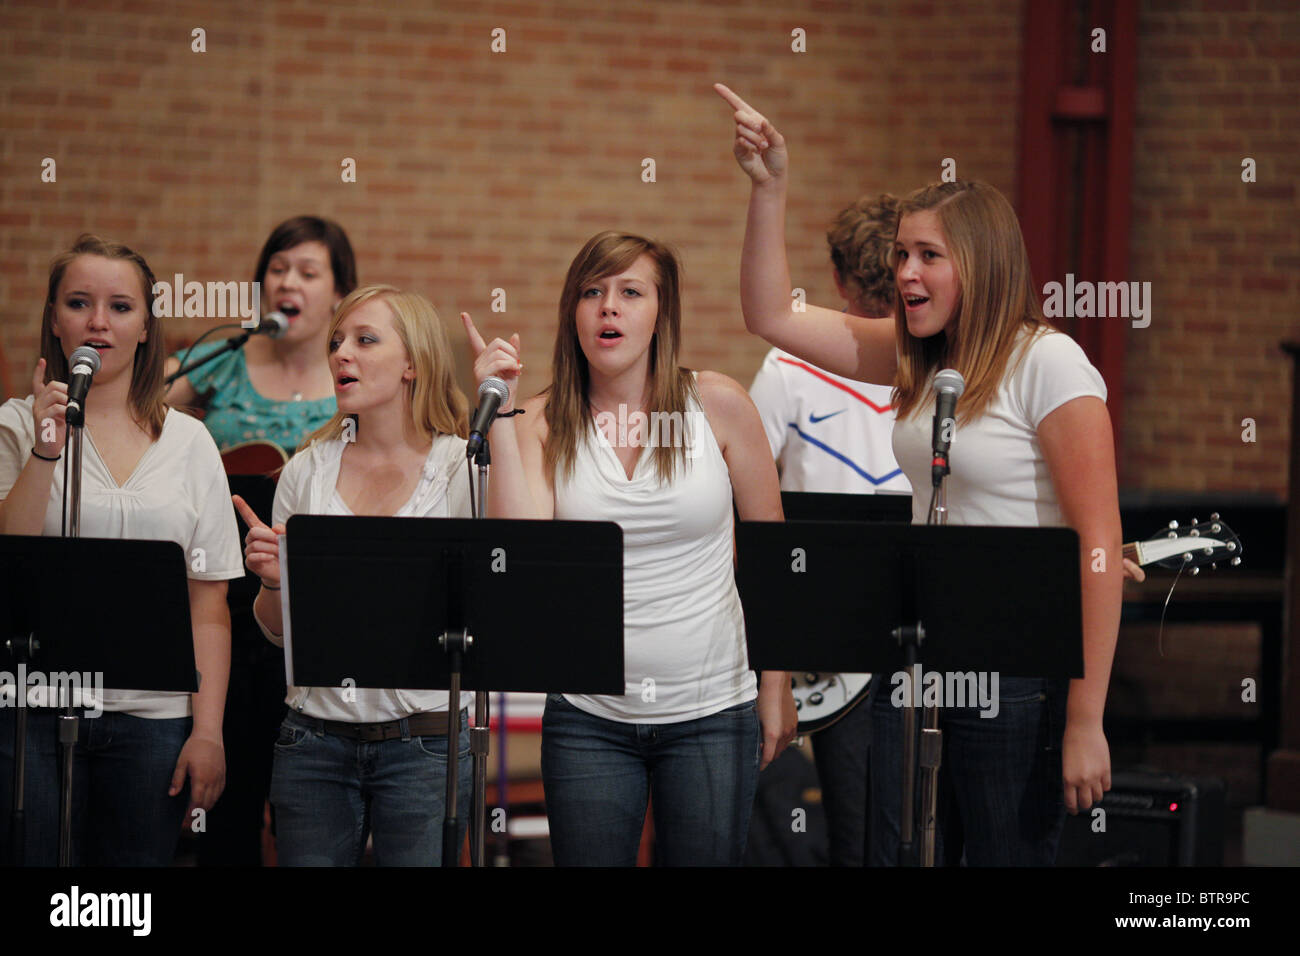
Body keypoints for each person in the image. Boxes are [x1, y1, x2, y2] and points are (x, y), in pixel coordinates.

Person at [717, 83, 1122, 866]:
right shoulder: (916, 357)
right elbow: (771, 316)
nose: (905, 272)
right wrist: (771, 186)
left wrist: (1085, 718)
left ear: (982, 264)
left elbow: (1097, 545)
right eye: (902, 253)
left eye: (928, 256)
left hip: (1018, 674)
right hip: (920, 660)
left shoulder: (1049, 364)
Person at [463, 231, 798, 866]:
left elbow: (771, 554)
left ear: (661, 314)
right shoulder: (539, 421)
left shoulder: (718, 404)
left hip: (712, 708)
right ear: (573, 312)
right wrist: (502, 412)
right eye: (592, 292)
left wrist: (775, 685)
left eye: (629, 292)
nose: (608, 307)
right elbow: (520, 549)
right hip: (589, 716)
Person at [0, 234, 241, 865]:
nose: (98, 322)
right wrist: (46, 452)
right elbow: (9, 557)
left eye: (121, 307)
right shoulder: (16, 425)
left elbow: (208, 601)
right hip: (33, 708)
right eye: (79, 303)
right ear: (54, 319)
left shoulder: (191, 443)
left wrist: (208, 731)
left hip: (152, 721)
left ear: (145, 326)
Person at [238, 284, 473, 866]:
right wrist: (272, 582)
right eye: (338, 341)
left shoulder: (460, 469)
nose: (342, 353)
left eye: (366, 340)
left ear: (413, 363)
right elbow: (274, 634)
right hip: (312, 742)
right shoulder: (304, 472)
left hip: (426, 745)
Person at [165, 215, 358, 865]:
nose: (288, 282)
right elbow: (139, 397)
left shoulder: (355, 376)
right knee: (233, 790)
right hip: (221, 595)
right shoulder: (224, 361)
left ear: (338, 293)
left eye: (308, 271)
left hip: (322, 608)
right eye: (277, 269)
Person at [748, 193, 910, 867]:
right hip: (825, 639)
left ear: (836, 278)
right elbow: (746, 495)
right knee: (866, 833)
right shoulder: (792, 367)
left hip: (907, 625)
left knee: (882, 829)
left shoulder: (931, 368)